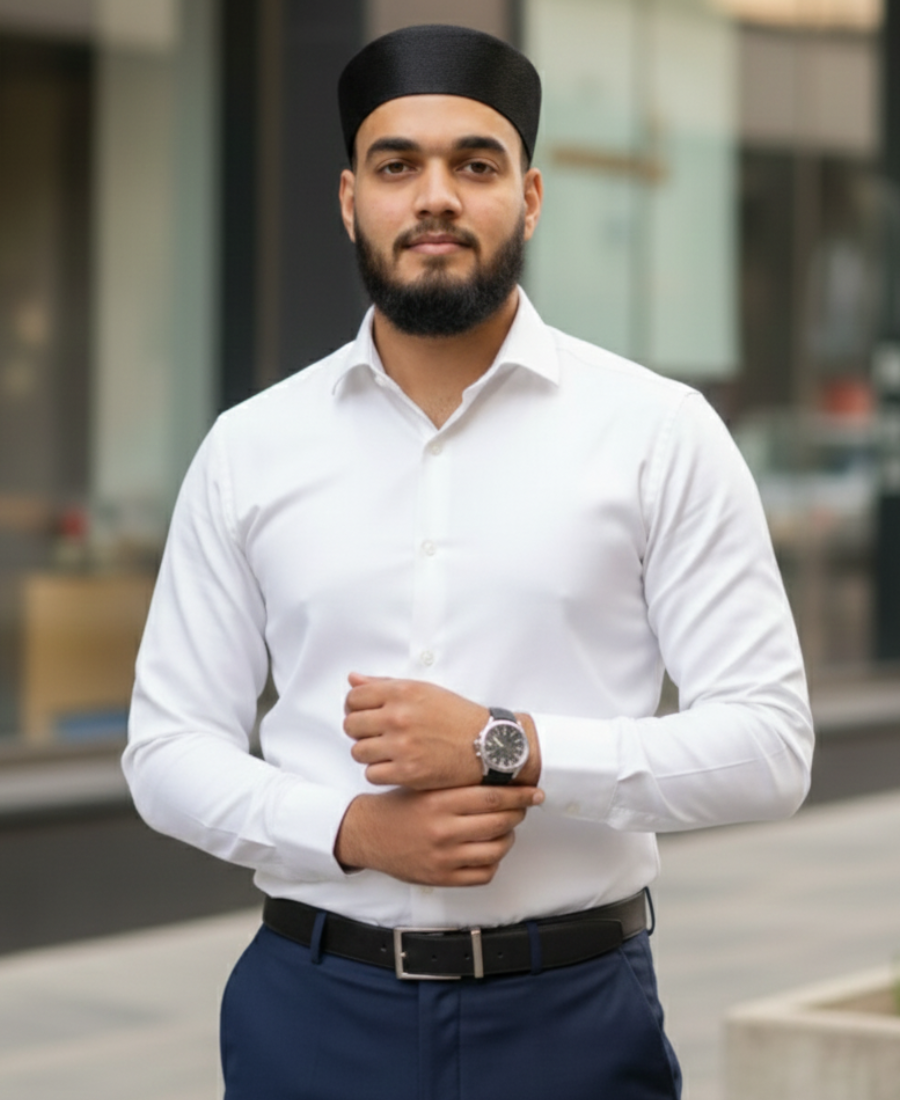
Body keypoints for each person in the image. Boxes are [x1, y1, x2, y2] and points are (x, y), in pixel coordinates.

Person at [123, 23, 814, 1100]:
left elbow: (770, 747)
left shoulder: (656, 432)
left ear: (529, 198)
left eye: (475, 164)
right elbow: (166, 747)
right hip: (314, 1011)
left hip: (572, 1017)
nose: (435, 195)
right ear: (351, 199)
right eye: (398, 165)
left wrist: (508, 745)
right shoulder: (250, 447)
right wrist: (353, 828)